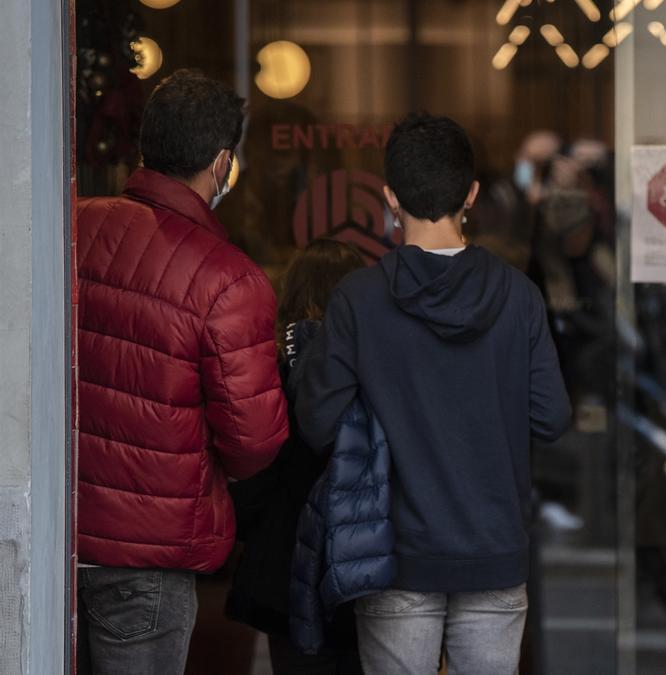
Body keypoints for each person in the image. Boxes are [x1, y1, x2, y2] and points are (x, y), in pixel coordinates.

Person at [291, 113, 572, 674]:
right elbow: (552, 417)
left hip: (398, 557)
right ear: (470, 194)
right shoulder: (519, 296)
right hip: (495, 551)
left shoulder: (358, 300)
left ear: (390, 197)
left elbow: (315, 422)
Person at [75, 69, 288, 674]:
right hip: (148, 555)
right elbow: (253, 443)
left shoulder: (69, 228)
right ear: (222, 163)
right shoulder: (229, 279)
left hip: (52, 538)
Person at [226, 239, 366, 674]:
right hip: (354, 558)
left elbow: (251, 459)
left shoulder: (268, 362)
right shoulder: (367, 363)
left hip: (280, 565)